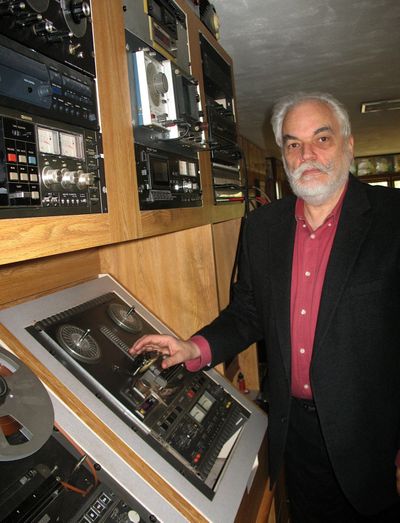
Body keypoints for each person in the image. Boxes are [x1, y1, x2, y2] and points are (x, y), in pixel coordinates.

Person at [130, 92, 400, 522]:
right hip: (296, 431)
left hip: (371, 434)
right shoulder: (261, 227)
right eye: (293, 144)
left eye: (322, 139)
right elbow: (249, 312)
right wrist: (193, 347)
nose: (306, 154)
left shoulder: (391, 219)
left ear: (349, 145)